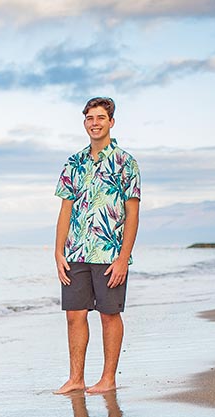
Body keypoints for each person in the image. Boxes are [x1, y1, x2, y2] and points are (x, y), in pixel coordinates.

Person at [53, 96, 141, 394]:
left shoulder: (125, 163)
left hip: (109, 252)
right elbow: (65, 210)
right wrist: (58, 252)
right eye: (90, 118)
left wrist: (123, 258)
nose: (95, 123)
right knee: (74, 315)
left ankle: (108, 379)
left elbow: (132, 214)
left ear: (111, 122)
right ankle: (76, 378)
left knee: (109, 314)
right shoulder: (73, 163)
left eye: (100, 117)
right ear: (84, 123)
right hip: (76, 251)